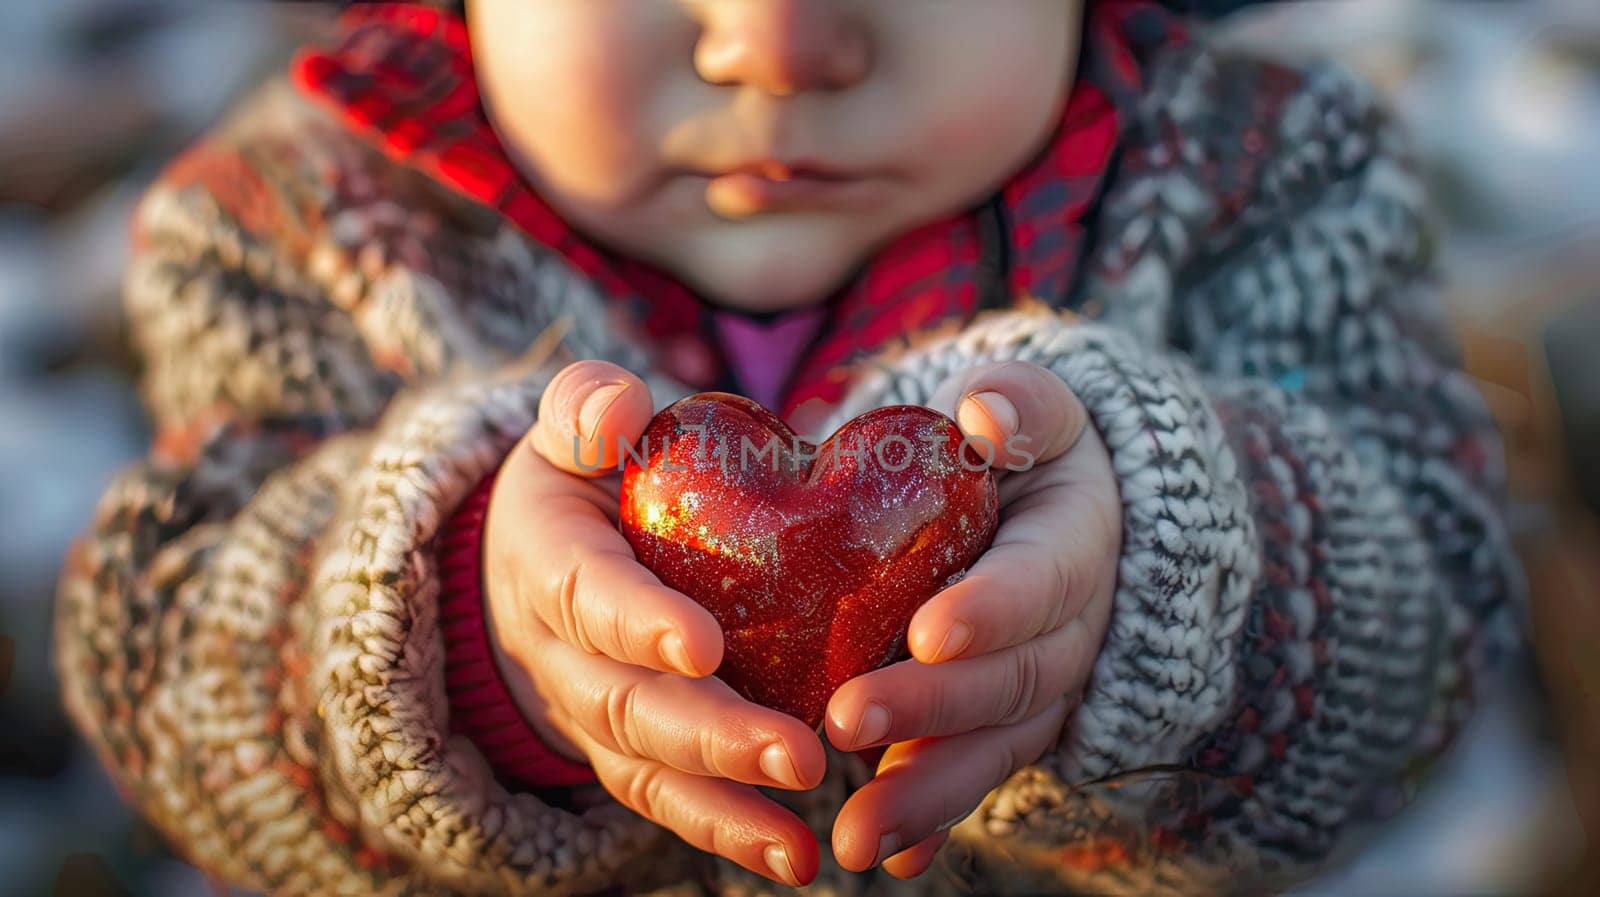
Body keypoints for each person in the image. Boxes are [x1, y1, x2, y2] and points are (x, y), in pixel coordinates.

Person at [54, 0, 1524, 894]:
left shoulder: (1257, 183)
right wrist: (456, 633)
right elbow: (160, 660)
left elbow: (1442, 635)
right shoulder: (299, 227)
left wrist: (1174, 587)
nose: (775, 43)